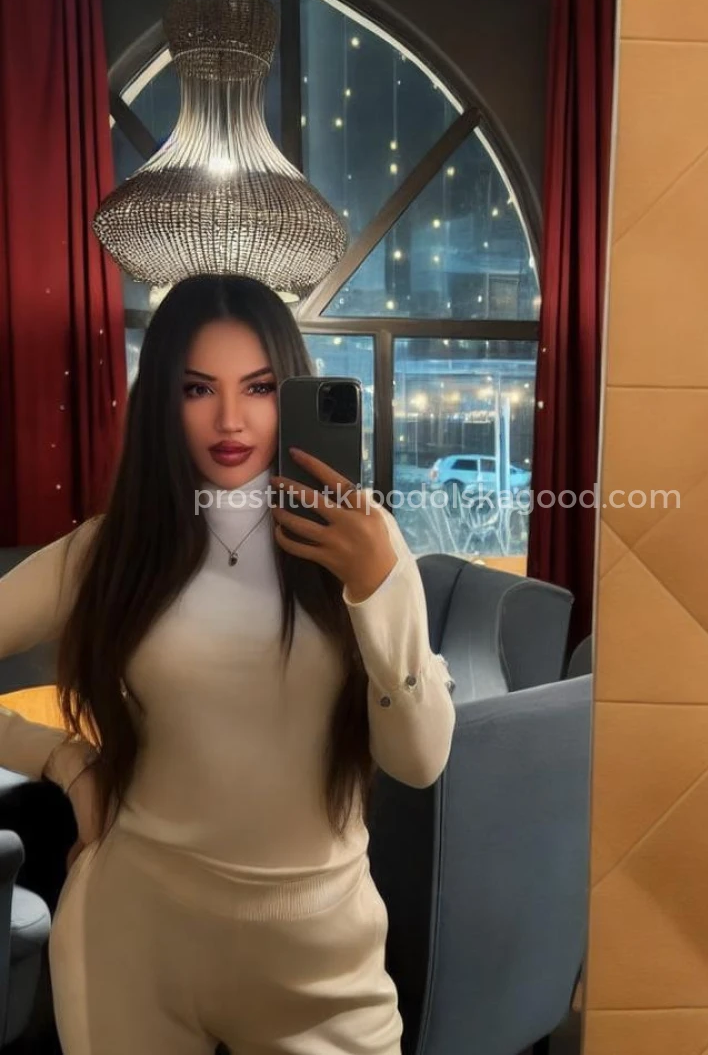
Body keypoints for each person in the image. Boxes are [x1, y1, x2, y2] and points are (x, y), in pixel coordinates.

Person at [0, 274, 456, 1055]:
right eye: (197, 389)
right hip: (134, 937)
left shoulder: (367, 544)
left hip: (323, 961)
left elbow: (418, 762)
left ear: (292, 392)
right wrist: (66, 763)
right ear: (162, 402)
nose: (231, 420)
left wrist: (376, 588)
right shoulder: (111, 551)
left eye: (259, 387)